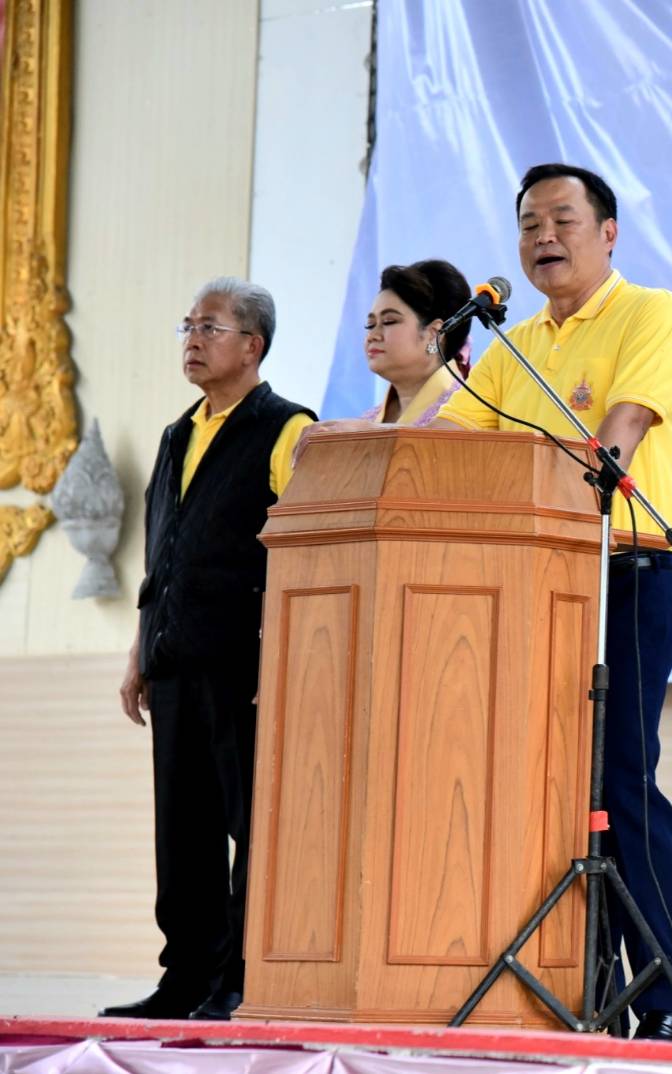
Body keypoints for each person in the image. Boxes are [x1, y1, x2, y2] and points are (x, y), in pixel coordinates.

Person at [301, 163, 672, 1040]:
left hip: (622, 573)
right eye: (528, 224)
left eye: (561, 219)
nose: (542, 236)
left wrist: (588, 463)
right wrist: (353, 442)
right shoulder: (516, 347)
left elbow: (624, 429)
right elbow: (445, 447)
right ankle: (577, 987)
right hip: (530, 591)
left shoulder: (651, 312)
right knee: (540, 787)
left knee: (621, 784)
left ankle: (667, 1000)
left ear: (608, 233)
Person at [104, 278, 315, 1021]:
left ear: (252, 345)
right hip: (173, 659)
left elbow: (301, 554)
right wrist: (139, 651)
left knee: (249, 827)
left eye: (210, 327)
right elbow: (160, 554)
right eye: (188, 326)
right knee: (183, 832)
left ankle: (240, 981)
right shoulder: (176, 435)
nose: (192, 340)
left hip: (242, 664)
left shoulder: (289, 429)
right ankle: (184, 978)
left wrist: (281, 653)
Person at [359, 259, 472, 425]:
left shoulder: (465, 417)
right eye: (370, 325)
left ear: (434, 334)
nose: (372, 336)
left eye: (389, 321)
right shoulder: (366, 421)